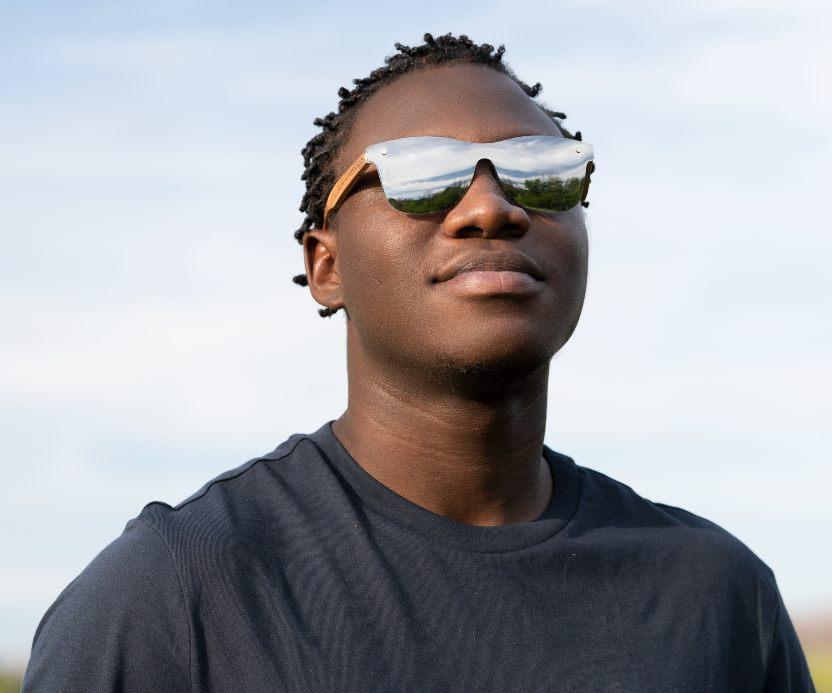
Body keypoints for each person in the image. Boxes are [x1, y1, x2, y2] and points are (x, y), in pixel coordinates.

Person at [22, 33, 815, 692]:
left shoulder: (718, 597)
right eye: (421, 175)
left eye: (542, 170)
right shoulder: (178, 595)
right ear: (326, 265)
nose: (490, 207)